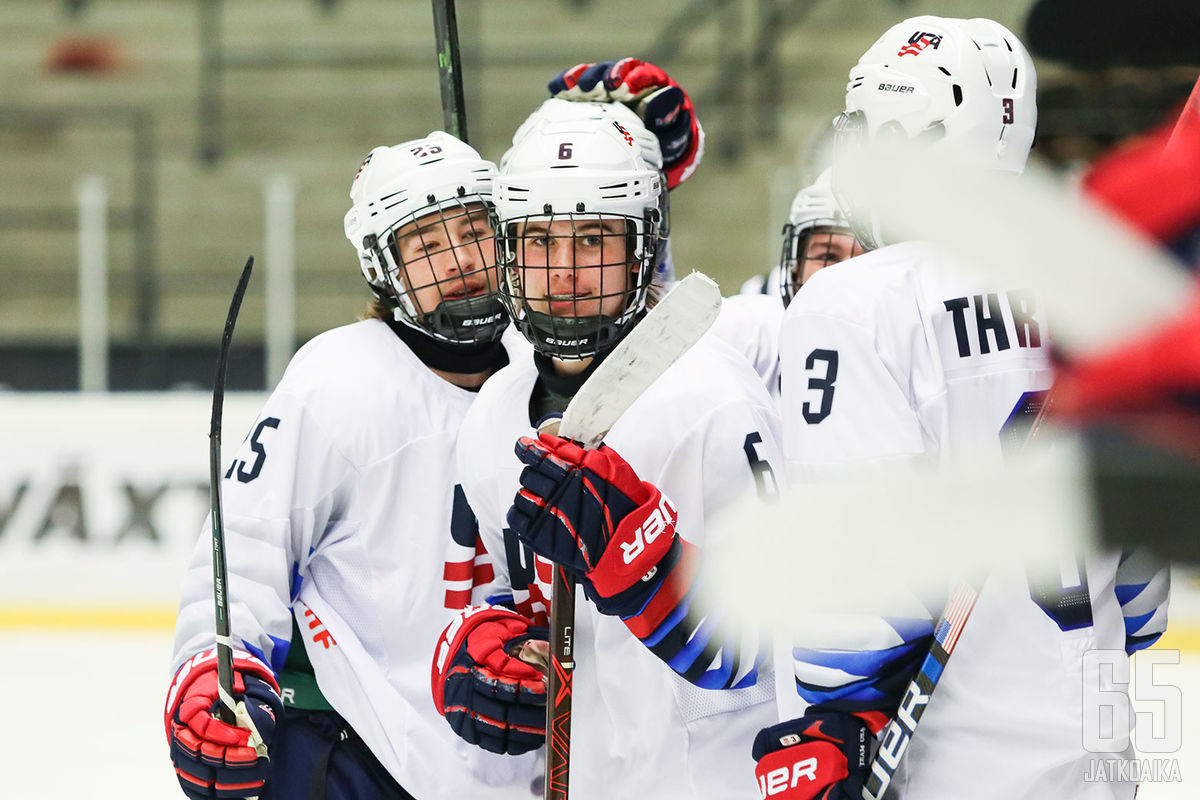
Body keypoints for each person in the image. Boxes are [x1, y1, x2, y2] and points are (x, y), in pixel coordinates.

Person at [762, 16, 1169, 800]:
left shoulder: (857, 301)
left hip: (946, 764)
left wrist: (826, 727)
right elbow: (1144, 587)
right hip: (1101, 747)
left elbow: (859, 575)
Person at [164, 132, 542, 800]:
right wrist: (213, 669)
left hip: (518, 755)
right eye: (425, 246)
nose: (457, 260)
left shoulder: (548, 371)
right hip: (356, 750)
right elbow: (247, 543)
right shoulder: (341, 380)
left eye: (473, 230)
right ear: (385, 269)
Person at [432, 96, 782, 799]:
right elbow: (503, 592)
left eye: (592, 239)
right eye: (538, 242)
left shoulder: (711, 397)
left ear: (643, 245)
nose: (564, 270)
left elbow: (781, 637)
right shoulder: (494, 414)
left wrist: (643, 559)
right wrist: (488, 648)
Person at [720, 169, 866, 395]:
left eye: (867, 259)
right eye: (827, 256)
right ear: (795, 267)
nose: (845, 273)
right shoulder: (759, 333)